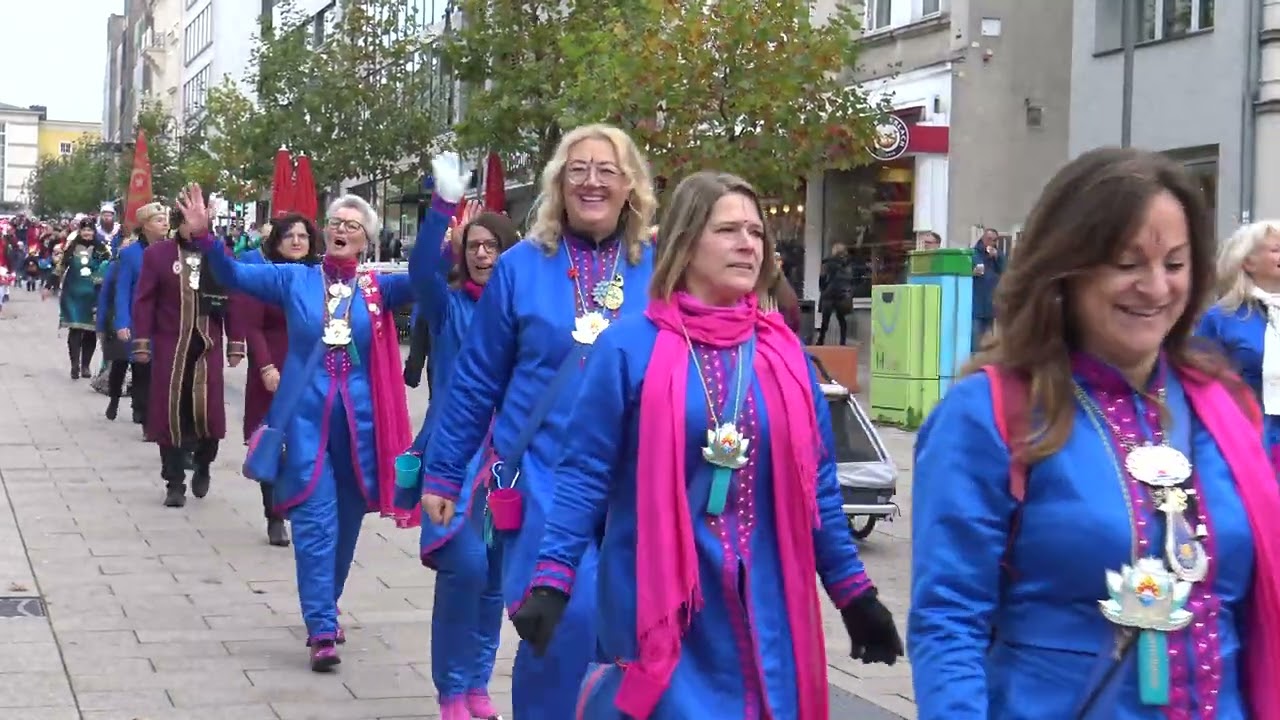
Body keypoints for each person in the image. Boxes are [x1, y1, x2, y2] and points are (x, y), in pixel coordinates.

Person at [510, 171, 903, 718]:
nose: (748, 243)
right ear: (686, 241)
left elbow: (819, 487)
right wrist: (553, 578)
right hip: (662, 608)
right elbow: (583, 474)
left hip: (766, 608)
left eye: (756, 232)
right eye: (728, 230)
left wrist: (853, 593)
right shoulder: (627, 348)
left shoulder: (785, 355)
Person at [909, 147, 1280, 718]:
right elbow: (949, 621)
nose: (1156, 288)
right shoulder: (988, 411)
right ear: (1067, 268)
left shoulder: (1225, 406)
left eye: (1175, 265)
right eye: (1128, 264)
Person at [419, 124, 658, 719]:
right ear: (558, 183)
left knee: (626, 633)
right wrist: (445, 474)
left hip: (636, 481)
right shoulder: (522, 267)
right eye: (578, 169)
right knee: (563, 618)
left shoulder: (660, 269)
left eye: (607, 169)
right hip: (541, 475)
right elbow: (476, 379)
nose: (592, 181)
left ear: (631, 186)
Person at [180, 184, 417, 672]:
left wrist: (440, 215)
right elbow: (233, 274)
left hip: (360, 433)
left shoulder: (379, 289)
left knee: (347, 527)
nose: (342, 229)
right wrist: (205, 239)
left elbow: (431, 279)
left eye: (353, 225)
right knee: (313, 524)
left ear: (366, 240)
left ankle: (325, 606)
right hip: (306, 424)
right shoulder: (294, 279)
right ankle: (321, 627)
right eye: (336, 222)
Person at [399, 155, 520, 720]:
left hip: (511, 464)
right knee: (464, 569)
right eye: (472, 245)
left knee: (496, 580)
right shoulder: (449, 309)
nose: (480, 254)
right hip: (454, 461)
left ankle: (477, 684)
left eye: (490, 246)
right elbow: (423, 271)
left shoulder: (527, 314)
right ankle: (451, 689)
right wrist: (442, 209)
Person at [131, 207, 246, 507]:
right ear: (177, 224)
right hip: (172, 345)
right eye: (186, 222)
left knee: (209, 413)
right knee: (170, 413)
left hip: (208, 345)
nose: (193, 227)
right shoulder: (157, 255)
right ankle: (174, 482)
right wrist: (142, 341)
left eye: (200, 221)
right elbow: (144, 300)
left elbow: (234, 299)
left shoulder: (220, 255)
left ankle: (204, 463)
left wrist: (236, 342)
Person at [238, 213, 324, 547]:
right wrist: (265, 367)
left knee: (310, 442)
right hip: (274, 366)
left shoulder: (320, 276)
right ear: (278, 241)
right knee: (274, 442)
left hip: (313, 368)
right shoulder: (266, 276)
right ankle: (274, 514)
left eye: (303, 236)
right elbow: (253, 325)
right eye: (290, 236)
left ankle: (304, 508)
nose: (297, 241)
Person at [1196, 220, 1280, 467]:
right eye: (1276, 249)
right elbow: (1199, 382)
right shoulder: (1222, 318)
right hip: (1248, 437)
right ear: (1248, 262)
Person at [114, 203, 170, 425]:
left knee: (163, 370)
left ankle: (157, 412)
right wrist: (122, 322)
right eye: (158, 220)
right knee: (142, 367)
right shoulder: (130, 254)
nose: (165, 223)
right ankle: (142, 409)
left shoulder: (173, 251)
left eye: (165, 219)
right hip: (140, 321)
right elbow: (122, 290)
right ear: (145, 226)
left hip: (166, 320)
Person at [58, 218, 110, 379]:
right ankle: (74, 365)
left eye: (90, 230)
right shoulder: (71, 247)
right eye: (84, 230)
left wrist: (99, 279)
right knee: (75, 329)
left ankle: (85, 366)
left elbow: (108, 266)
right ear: (79, 232)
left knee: (90, 331)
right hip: (73, 293)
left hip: (93, 294)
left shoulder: (101, 248)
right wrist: (49, 284)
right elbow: (61, 265)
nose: (87, 233)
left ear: (94, 232)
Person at [972, 226, 1005, 346]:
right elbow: (964, 274)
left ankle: (985, 361)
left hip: (991, 304)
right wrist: (972, 273)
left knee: (988, 340)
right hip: (976, 303)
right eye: (989, 239)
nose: (991, 242)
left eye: (994, 240)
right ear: (983, 238)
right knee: (975, 337)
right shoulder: (974, 253)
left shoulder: (998, 255)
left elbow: (1005, 272)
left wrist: (998, 258)